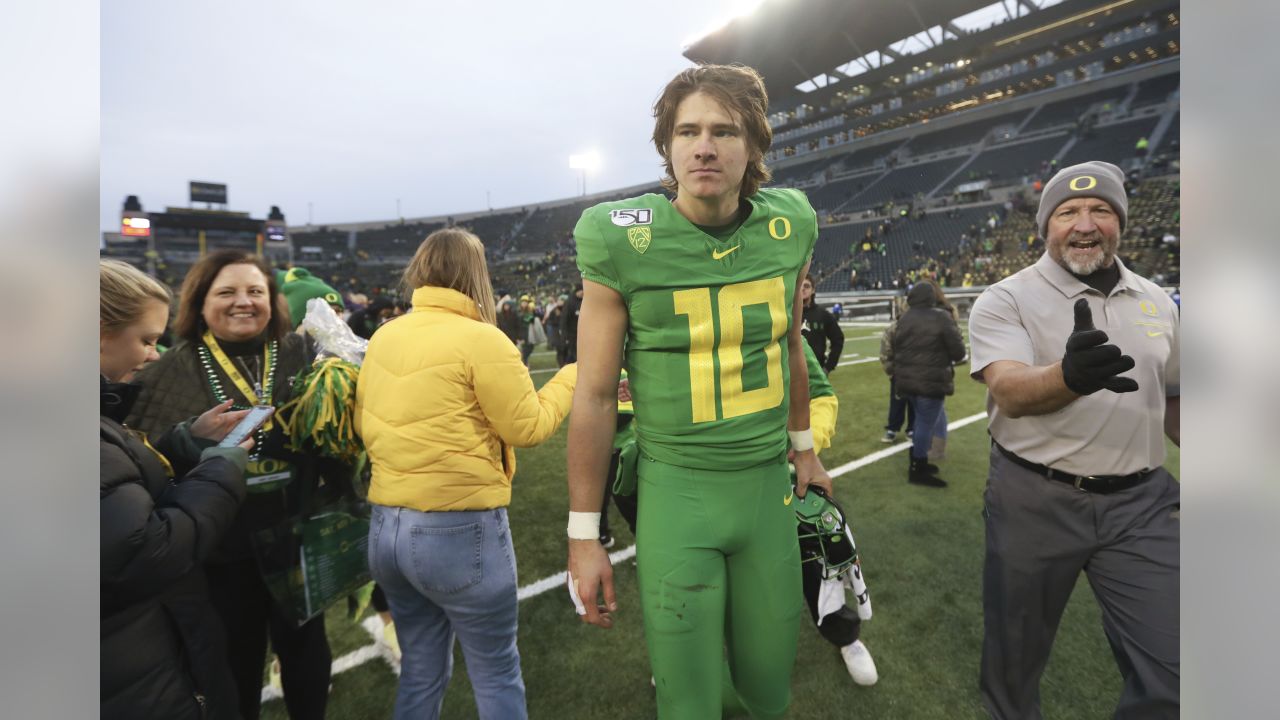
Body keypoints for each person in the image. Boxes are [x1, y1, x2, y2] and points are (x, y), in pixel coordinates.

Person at [565, 63, 831, 719]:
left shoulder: (791, 221)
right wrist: (582, 533)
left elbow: (790, 342)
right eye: (687, 131)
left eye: (723, 130)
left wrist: (804, 447)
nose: (704, 147)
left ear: (755, 146)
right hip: (676, 495)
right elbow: (595, 396)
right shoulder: (618, 236)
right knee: (687, 704)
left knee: (768, 695)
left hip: (765, 493)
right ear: (667, 145)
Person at [968, 161, 1180, 719]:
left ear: (1121, 223)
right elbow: (1009, 389)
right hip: (1035, 497)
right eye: (1068, 212)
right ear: (1046, 226)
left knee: (1181, 669)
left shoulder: (1159, 300)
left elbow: (1176, 397)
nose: (1084, 224)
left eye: (1101, 210)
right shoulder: (1005, 297)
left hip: (1142, 503)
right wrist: (1069, 377)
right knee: (1013, 667)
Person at [356, 228, 577, 719]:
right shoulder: (481, 338)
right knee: (496, 672)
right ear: (475, 274)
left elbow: (361, 422)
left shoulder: (385, 335)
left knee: (420, 669)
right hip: (455, 530)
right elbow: (528, 426)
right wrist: (571, 378)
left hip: (386, 526)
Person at [128, 250, 348, 720]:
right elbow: (144, 463)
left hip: (298, 539)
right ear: (200, 302)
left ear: (273, 298)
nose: (242, 302)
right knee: (234, 668)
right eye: (226, 292)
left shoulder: (305, 353)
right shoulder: (167, 371)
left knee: (308, 653)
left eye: (255, 291)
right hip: (219, 553)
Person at [100, 260, 251, 720]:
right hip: (128, 672)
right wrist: (221, 469)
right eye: (146, 340)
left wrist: (179, 446)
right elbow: (144, 551)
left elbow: (114, 489)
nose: (152, 354)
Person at [880, 279, 965, 488]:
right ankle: (917, 467)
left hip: (906, 383)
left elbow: (893, 347)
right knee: (925, 425)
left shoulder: (904, 318)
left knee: (920, 423)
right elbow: (959, 352)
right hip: (930, 383)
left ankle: (919, 462)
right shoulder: (941, 317)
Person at [800, 272, 845, 374]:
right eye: (800, 286)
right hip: (792, 373)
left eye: (807, 286)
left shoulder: (823, 315)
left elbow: (838, 339)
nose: (803, 289)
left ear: (813, 290)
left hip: (816, 372)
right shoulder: (789, 314)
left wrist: (828, 367)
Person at [559, 284, 583, 364]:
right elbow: (564, 319)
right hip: (572, 333)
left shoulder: (585, 301)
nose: (582, 293)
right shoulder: (569, 302)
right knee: (573, 352)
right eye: (580, 291)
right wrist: (564, 334)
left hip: (582, 332)